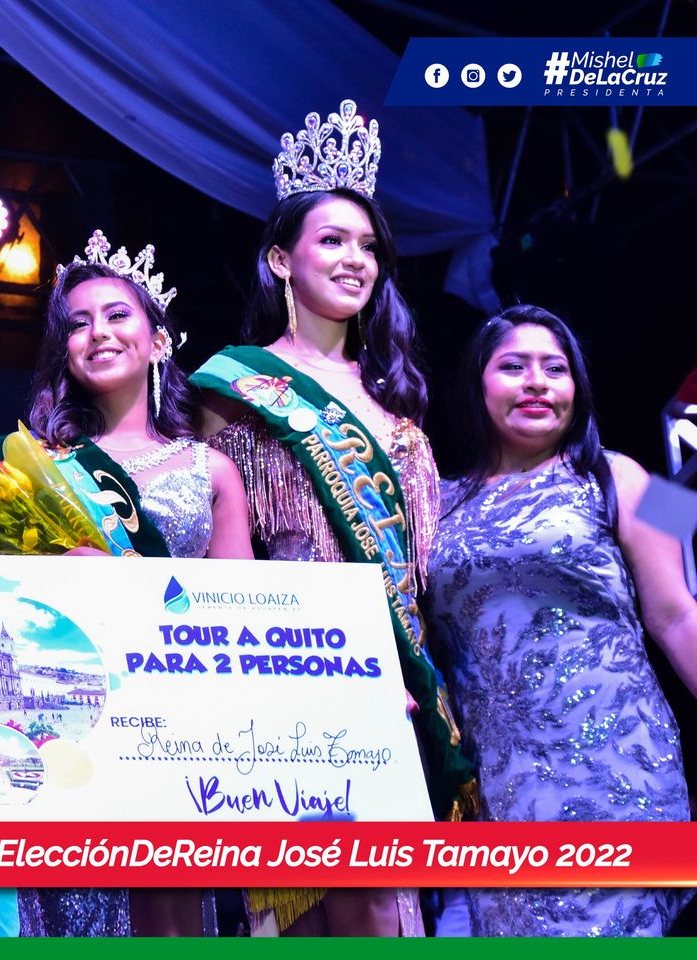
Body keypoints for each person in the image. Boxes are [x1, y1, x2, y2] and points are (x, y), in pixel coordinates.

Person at [190, 100, 476, 936]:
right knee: (309, 906)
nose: (355, 259)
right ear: (281, 258)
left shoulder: (395, 397)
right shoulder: (236, 388)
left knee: (386, 904)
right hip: (293, 672)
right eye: (332, 240)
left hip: (404, 680)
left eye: (369, 246)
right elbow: (220, 557)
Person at [424, 304, 697, 936]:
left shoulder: (627, 474)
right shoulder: (435, 499)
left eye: (556, 368)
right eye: (513, 367)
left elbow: (680, 613)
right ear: (476, 383)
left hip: (619, 768)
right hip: (499, 785)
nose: (537, 383)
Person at [17, 229, 253, 936]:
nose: (98, 332)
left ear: (159, 341)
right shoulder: (35, 467)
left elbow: (242, 619)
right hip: (70, 724)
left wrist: (126, 582)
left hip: (177, 726)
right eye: (78, 323)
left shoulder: (210, 469)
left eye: (118, 315)